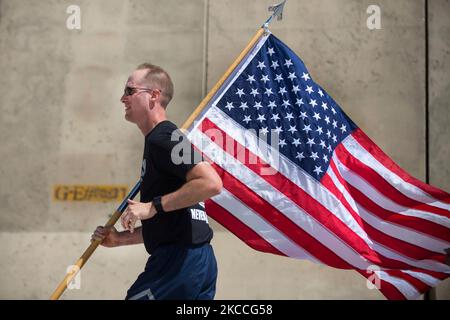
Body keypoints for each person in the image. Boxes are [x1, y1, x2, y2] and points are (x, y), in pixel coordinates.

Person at [91, 63, 223, 300]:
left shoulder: (164, 137)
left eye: (130, 91)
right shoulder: (159, 140)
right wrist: (120, 239)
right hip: (193, 261)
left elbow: (211, 183)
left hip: (179, 262)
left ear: (154, 95)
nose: (123, 98)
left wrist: (151, 206)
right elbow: (173, 222)